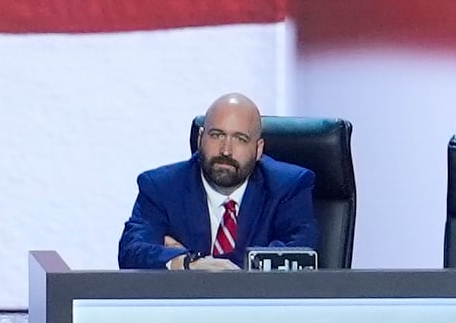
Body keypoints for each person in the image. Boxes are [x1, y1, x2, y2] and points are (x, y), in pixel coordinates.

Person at [117, 93, 319, 270]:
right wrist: (188, 263)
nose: (226, 150)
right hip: (186, 310)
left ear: (258, 149)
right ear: (200, 139)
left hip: (259, 310)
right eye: (217, 135)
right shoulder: (161, 187)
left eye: (240, 139)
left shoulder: (289, 186)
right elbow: (131, 251)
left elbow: (300, 253)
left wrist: (200, 262)